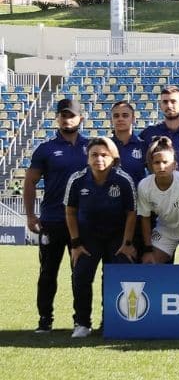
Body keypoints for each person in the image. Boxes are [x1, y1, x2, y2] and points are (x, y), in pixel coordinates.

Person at [25, 98, 88, 333]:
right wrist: (30, 216)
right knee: (48, 273)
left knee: (80, 274)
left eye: (71, 115)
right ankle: (45, 319)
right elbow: (30, 182)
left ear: (81, 118)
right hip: (52, 221)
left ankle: (81, 321)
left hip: (81, 222)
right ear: (57, 118)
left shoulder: (91, 147)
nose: (67, 119)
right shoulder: (46, 149)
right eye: (63, 115)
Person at [63, 137, 136, 338]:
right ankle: (82, 323)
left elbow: (131, 213)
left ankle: (110, 322)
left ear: (113, 158)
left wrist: (127, 243)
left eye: (104, 155)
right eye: (94, 155)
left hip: (116, 237)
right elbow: (70, 212)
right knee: (81, 276)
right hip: (88, 238)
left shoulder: (123, 179)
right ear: (87, 158)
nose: (99, 159)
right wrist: (75, 244)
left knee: (113, 279)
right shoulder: (77, 179)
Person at [137, 137, 179, 264]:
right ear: (151, 165)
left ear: (174, 165)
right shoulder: (144, 186)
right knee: (149, 263)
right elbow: (145, 219)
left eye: (165, 162)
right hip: (165, 229)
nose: (161, 166)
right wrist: (148, 249)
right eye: (157, 163)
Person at [109, 101, 146, 185]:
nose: (120, 119)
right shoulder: (105, 146)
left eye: (125, 115)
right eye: (116, 116)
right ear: (111, 120)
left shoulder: (143, 146)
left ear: (133, 119)